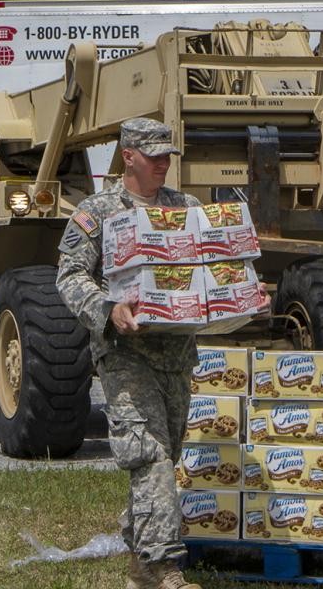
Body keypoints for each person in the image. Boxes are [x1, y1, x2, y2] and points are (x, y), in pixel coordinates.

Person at [58, 118, 202, 589]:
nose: (163, 163)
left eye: (167, 156)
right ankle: (166, 569)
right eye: (153, 155)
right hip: (125, 352)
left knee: (167, 454)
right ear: (128, 156)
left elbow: (212, 267)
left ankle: (140, 559)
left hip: (177, 354)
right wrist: (107, 307)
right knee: (150, 455)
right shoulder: (96, 212)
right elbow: (70, 276)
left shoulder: (187, 208)